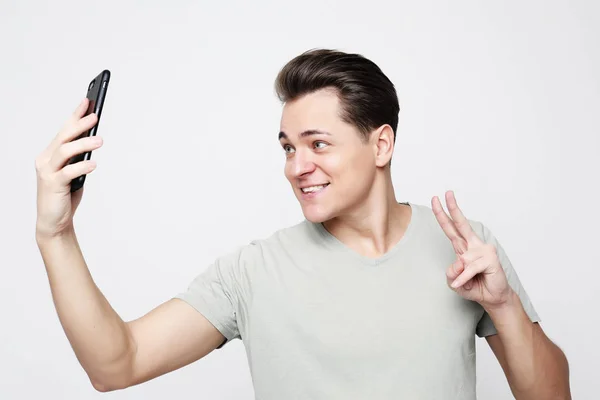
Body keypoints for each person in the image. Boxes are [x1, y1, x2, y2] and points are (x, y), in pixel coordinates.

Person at [35, 48, 571, 399]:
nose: (297, 167)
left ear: (380, 143)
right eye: (289, 147)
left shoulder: (466, 250)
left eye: (318, 144)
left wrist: (503, 306)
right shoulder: (253, 271)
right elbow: (115, 364)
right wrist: (55, 234)